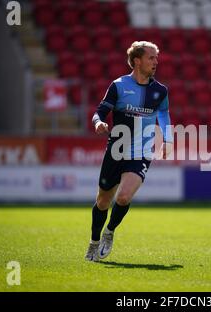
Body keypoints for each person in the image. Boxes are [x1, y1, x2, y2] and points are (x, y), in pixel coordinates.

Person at [85, 41, 173, 262]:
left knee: (123, 197)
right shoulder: (119, 86)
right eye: (151, 57)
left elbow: (163, 115)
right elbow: (100, 111)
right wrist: (98, 123)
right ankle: (94, 241)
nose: (156, 62)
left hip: (141, 151)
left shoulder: (160, 91)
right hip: (116, 150)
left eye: (156, 58)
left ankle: (110, 232)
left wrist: (168, 140)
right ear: (137, 60)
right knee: (103, 201)